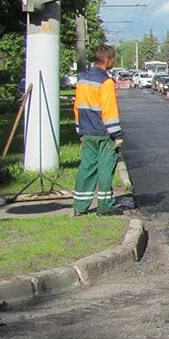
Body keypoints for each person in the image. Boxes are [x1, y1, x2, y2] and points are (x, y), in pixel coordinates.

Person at [73, 45, 125, 216]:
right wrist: (117, 135)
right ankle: (105, 206)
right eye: (113, 59)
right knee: (105, 168)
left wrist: (79, 130)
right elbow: (109, 111)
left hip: (87, 132)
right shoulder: (106, 82)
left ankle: (80, 206)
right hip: (104, 133)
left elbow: (77, 108)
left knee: (86, 168)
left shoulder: (82, 80)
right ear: (107, 60)